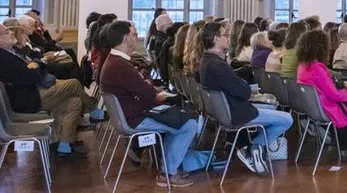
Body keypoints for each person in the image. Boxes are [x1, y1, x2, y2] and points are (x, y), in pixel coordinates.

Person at [99, 21, 195, 188]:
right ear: (125, 39)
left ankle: (168, 166)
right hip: (136, 118)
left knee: (179, 118)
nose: (136, 38)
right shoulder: (120, 65)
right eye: (134, 35)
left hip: (132, 113)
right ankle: (168, 173)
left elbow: (142, 89)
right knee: (189, 124)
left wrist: (148, 87)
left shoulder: (114, 61)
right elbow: (151, 95)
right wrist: (154, 90)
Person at [0, 24, 104, 157]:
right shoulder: (1, 59)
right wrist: (36, 64)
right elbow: (33, 76)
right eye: (7, 32)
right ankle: (93, 110)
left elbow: (34, 66)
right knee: (74, 84)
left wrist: (35, 64)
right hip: (27, 99)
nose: (11, 33)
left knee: (74, 102)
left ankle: (64, 145)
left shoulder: (10, 52)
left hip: (30, 92)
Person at [199, 22, 293, 175]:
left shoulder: (206, 61)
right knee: (287, 118)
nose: (228, 38)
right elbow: (243, 92)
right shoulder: (218, 65)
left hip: (228, 109)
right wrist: (243, 85)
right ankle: (255, 147)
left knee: (271, 107)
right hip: (236, 112)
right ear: (216, 39)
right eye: (225, 35)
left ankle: (254, 148)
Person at [296, 30, 347, 163]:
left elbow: (325, 86)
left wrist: (342, 83)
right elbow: (334, 95)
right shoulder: (317, 68)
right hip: (329, 107)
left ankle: (346, 145)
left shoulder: (303, 66)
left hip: (315, 107)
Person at [147, 13, 174, 83]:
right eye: (170, 23)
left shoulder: (159, 39)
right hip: (168, 77)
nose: (172, 25)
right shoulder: (164, 42)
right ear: (164, 26)